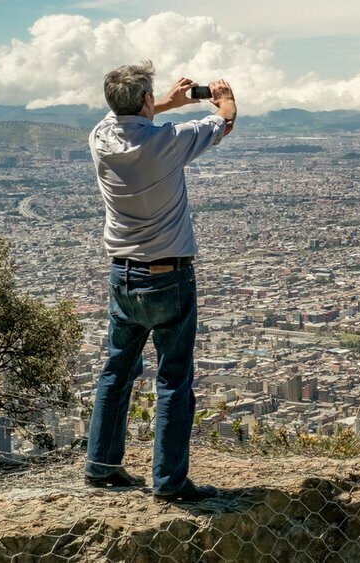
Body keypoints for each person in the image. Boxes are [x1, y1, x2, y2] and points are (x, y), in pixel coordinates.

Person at [83, 60, 237, 502]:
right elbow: (223, 123)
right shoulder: (167, 141)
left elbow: (125, 117)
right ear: (147, 101)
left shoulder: (100, 138)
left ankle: (102, 465)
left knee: (116, 372)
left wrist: (163, 101)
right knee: (173, 379)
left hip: (122, 275)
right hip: (168, 277)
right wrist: (224, 98)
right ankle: (169, 483)